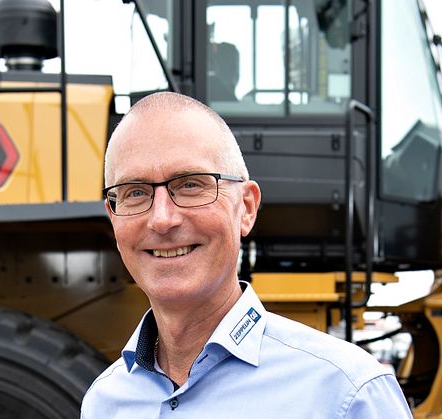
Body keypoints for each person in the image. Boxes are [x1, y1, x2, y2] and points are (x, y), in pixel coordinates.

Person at [81, 92, 411, 418]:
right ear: (113, 217)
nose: (163, 219)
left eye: (191, 185)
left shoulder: (348, 394)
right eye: (135, 192)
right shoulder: (104, 403)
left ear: (247, 208)